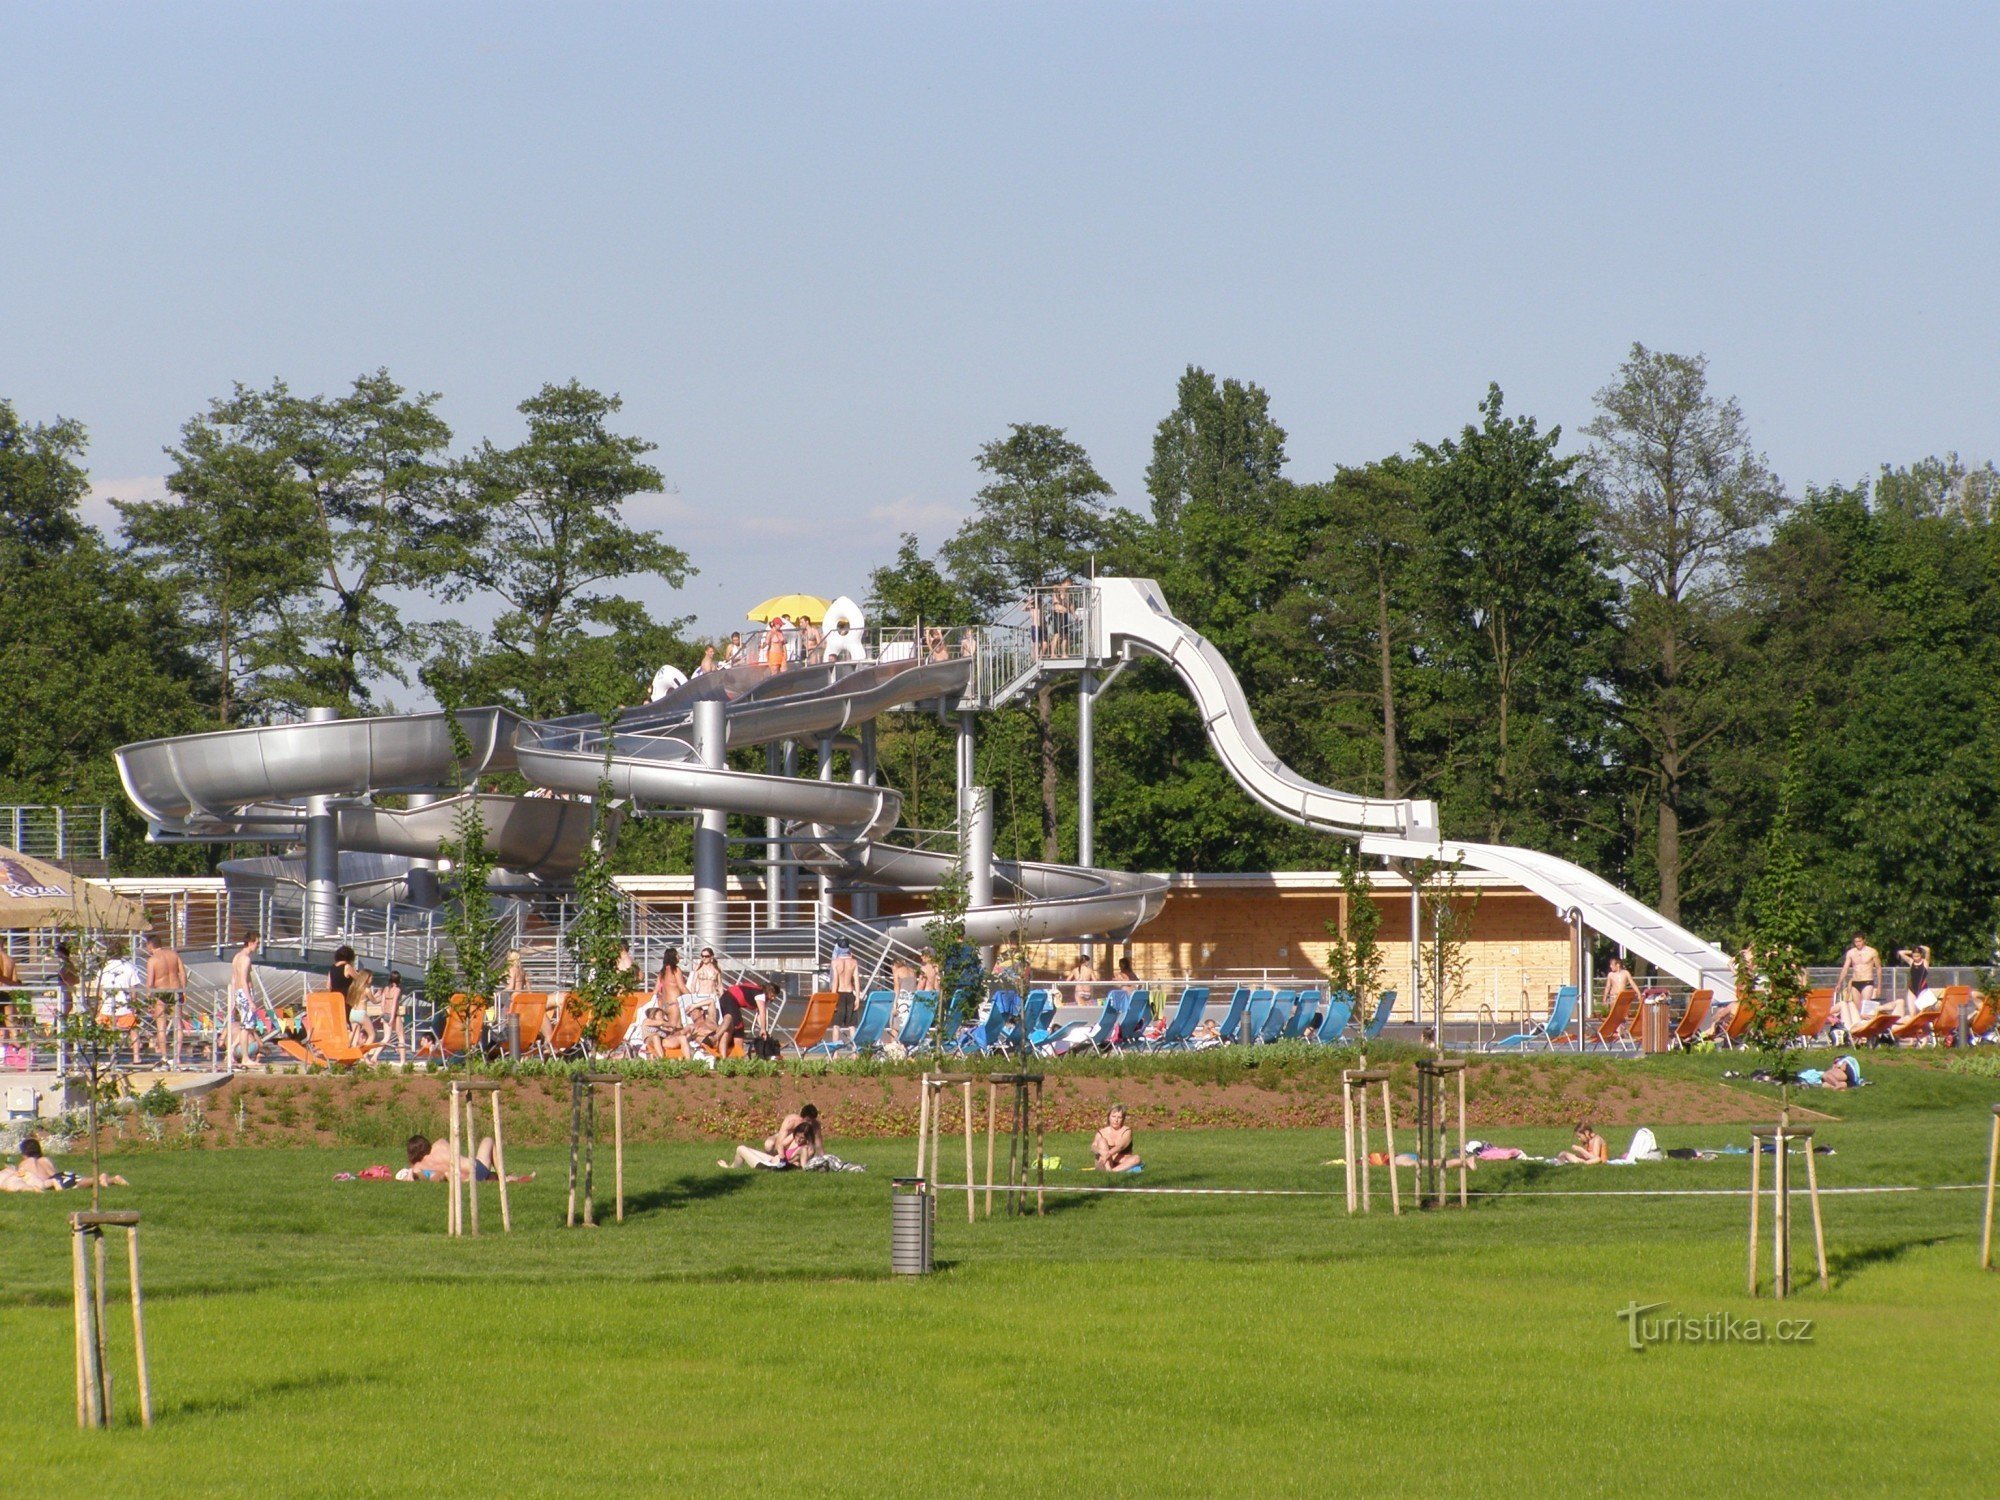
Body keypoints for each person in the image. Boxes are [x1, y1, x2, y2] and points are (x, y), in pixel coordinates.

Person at [0, 1136, 127, 1192]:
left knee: (77, 1186)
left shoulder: (26, 1162)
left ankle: (101, 1179)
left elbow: (23, 1177)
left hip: (53, 1181)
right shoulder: (46, 1160)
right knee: (81, 1181)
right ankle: (112, 1179)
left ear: (24, 1153)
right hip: (62, 1175)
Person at [718, 1103, 822, 1170]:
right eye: (808, 1120)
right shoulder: (796, 1131)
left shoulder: (806, 1148)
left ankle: (729, 1168)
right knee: (743, 1148)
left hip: (768, 1166)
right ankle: (731, 1168)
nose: (810, 1124)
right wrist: (781, 1157)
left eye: (812, 1121)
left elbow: (804, 1163)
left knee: (740, 1149)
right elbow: (781, 1144)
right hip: (773, 1161)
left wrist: (784, 1162)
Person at [402, 1133, 533, 1184]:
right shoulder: (439, 1144)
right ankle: (503, 1176)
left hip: (463, 1180)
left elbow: (436, 1176)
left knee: (487, 1176)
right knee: (488, 1140)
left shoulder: (417, 1167)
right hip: (477, 1170)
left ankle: (507, 1178)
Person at [145, 936, 188, 1067]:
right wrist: (184, 990)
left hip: (161, 993)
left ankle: (164, 1057)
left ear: (150, 946)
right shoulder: (174, 955)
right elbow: (183, 973)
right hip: (176, 991)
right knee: (178, 1025)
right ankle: (178, 1057)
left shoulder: (153, 960)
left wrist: (148, 999)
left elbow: (150, 982)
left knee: (161, 1027)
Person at [97, 942, 143, 1064]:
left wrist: (99, 1006)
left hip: (107, 1006)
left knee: (107, 1032)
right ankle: (136, 1057)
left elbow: (100, 990)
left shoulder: (104, 968)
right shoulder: (129, 967)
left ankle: (112, 1057)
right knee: (133, 1030)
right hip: (125, 1006)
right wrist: (134, 1005)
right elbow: (134, 990)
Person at [228, 932, 262, 1069]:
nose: (257, 946)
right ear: (250, 942)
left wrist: (233, 997)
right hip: (244, 993)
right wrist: (250, 1000)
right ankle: (245, 1057)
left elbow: (233, 979)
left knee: (246, 1026)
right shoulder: (246, 959)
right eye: (257, 943)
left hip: (238, 993)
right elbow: (242, 979)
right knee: (246, 1027)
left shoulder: (237, 957)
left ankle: (232, 1049)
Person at [718, 977, 772, 1058]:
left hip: (727, 999)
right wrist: (763, 1029)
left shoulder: (757, 992)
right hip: (729, 999)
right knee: (738, 1028)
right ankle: (736, 1058)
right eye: (773, 995)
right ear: (769, 992)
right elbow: (762, 1012)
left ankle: (731, 1057)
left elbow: (759, 1015)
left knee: (732, 1029)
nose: (773, 998)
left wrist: (763, 1029)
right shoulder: (760, 994)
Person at [1089, 1106, 1141, 1172]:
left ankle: (1112, 1171)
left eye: (1119, 1117)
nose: (1116, 1120)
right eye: (1113, 1116)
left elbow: (1120, 1147)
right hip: (1104, 1162)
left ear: (1123, 1119)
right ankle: (1108, 1169)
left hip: (1120, 1161)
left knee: (1137, 1158)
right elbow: (1093, 1147)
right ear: (1109, 1117)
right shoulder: (1101, 1132)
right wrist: (1101, 1151)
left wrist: (1108, 1154)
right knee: (1102, 1141)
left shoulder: (1126, 1131)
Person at [1895, 945, 1937, 1018]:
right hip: (1912, 989)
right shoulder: (1911, 962)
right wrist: (1912, 951)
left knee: (1923, 1012)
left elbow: (1928, 950)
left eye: (1918, 955)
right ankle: (1913, 1026)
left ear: (1921, 955)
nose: (1916, 957)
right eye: (1914, 956)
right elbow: (1901, 953)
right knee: (1912, 1013)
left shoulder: (1925, 962)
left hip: (1922, 989)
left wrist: (1920, 947)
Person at [828, 944, 859, 1032]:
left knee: (836, 1025)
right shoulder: (854, 962)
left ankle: (835, 1044)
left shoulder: (835, 962)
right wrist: (857, 998)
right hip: (850, 994)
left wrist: (833, 1000)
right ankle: (854, 1045)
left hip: (839, 994)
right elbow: (856, 981)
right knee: (852, 1025)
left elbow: (835, 982)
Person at [377, 970, 406, 1060]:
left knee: (386, 1038)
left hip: (385, 1014)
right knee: (401, 1037)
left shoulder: (386, 989)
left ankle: (374, 1056)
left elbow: (382, 1002)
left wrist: (383, 1012)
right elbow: (394, 1004)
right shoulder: (397, 990)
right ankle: (402, 1061)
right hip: (394, 1015)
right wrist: (392, 1017)